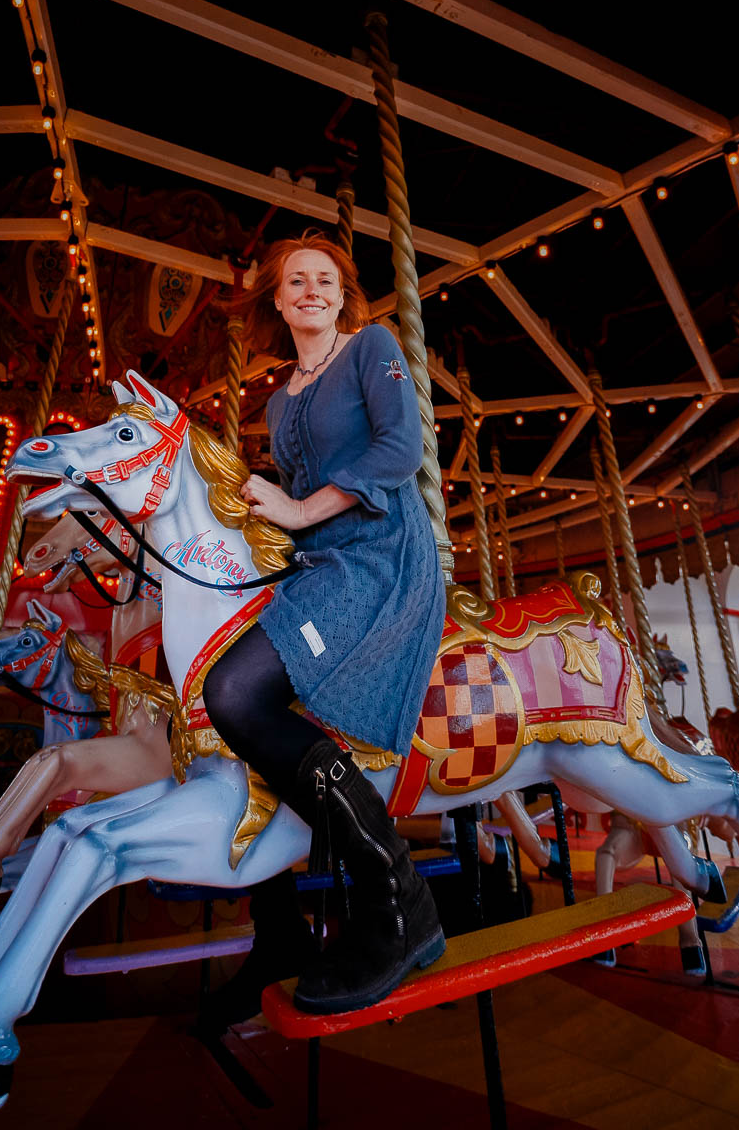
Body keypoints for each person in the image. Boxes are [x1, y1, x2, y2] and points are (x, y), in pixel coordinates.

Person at [201, 231, 447, 1018]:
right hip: (319, 561)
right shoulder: (277, 397)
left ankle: (395, 902)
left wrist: (302, 506)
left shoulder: (371, 347)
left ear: (343, 295)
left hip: (378, 555)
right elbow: (293, 495)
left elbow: (400, 448)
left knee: (235, 693)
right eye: (295, 281)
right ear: (276, 298)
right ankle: (282, 923)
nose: (312, 290)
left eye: (326, 280)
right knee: (221, 688)